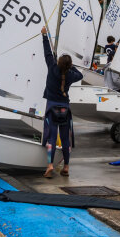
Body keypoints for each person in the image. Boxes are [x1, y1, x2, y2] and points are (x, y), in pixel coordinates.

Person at [40, 25, 82, 178]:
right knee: (65, 139)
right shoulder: (71, 75)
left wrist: (44, 36)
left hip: (52, 107)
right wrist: (71, 66)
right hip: (65, 109)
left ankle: (50, 165)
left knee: (52, 137)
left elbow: (47, 52)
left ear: (57, 62)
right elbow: (80, 75)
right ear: (69, 65)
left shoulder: (52, 67)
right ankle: (66, 167)